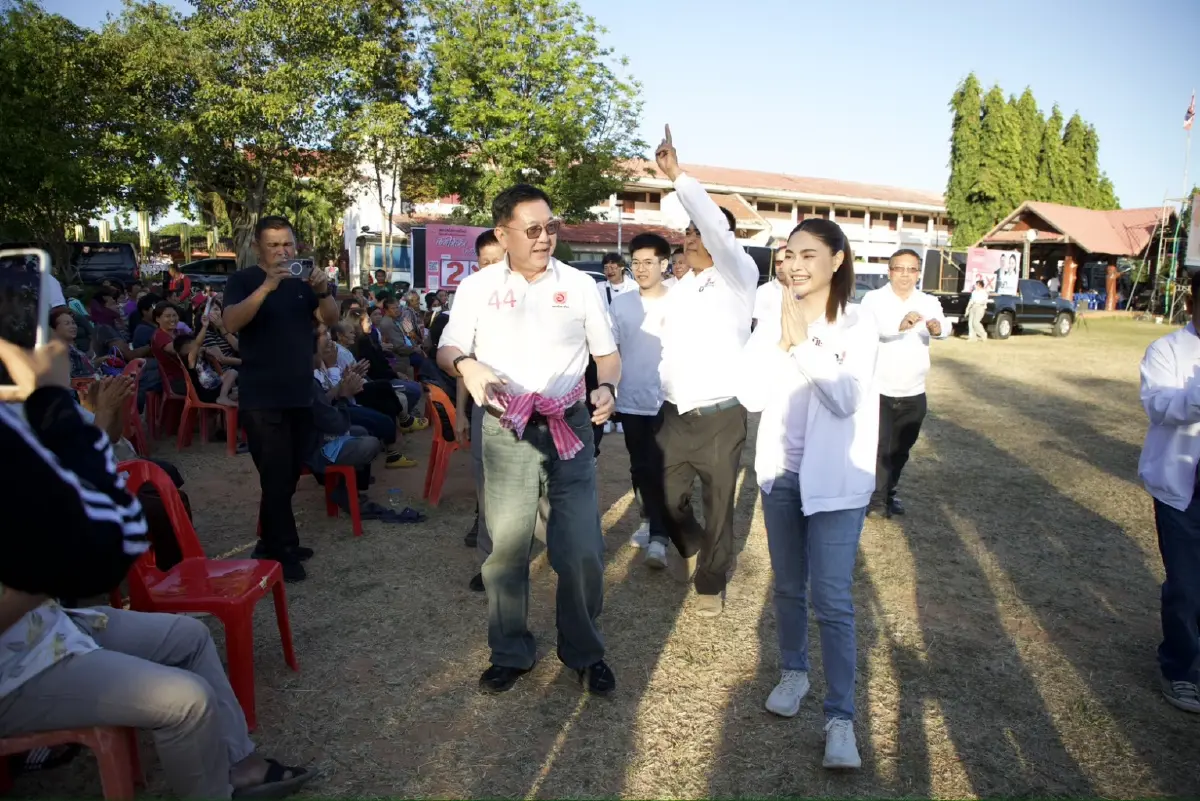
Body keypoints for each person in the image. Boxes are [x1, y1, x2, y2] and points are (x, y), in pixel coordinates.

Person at [0, 337, 318, 800]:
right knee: (186, 701)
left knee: (189, 637)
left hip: (47, 629)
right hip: (16, 671)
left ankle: (239, 763)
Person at [438, 183, 620, 696]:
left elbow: (606, 355)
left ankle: (584, 651)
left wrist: (607, 384)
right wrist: (466, 364)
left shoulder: (581, 285)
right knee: (506, 551)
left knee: (582, 548)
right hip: (505, 430)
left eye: (552, 227)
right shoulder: (477, 288)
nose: (545, 238)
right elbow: (448, 347)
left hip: (570, 425)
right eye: (533, 229)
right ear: (503, 233)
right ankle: (511, 650)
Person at [737, 218, 878, 770]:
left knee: (834, 600)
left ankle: (840, 717)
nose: (794, 264)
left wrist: (804, 342)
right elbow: (749, 393)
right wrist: (779, 339)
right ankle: (794, 671)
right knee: (790, 586)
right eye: (788, 254)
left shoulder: (858, 324)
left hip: (837, 485)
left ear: (838, 260)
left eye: (809, 254)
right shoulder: (772, 315)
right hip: (781, 473)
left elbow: (846, 398)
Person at [653, 125, 759, 618]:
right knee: (669, 500)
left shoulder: (739, 278)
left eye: (699, 231)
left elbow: (714, 226)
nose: (691, 239)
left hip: (721, 415)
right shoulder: (680, 289)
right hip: (676, 415)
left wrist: (678, 178)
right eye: (688, 232)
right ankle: (688, 540)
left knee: (720, 505)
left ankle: (712, 582)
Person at [222, 215, 339, 583]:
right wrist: (267, 286)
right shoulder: (242, 280)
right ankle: (283, 550)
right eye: (273, 245)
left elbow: (330, 319)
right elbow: (231, 323)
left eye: (287, 244)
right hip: (262, 396)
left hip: (300, 392)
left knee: (288, 474)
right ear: (258, 247)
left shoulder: (303, 282)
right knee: (274, 475)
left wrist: (322, 290)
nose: (282, 251)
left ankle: (269, 543)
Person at [1137, 270, 1200, 714]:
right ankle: (1180, 669)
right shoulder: (1167, 351)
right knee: (1186, 584)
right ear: (1192, 305)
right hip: (1184, 489)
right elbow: (1161, 408)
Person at [859, 248, 947, 518]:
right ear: (890, 271)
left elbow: (945, 326)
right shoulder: (873, 300)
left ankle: (888, 493)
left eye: (911, 269)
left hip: (914, 389)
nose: (905, 275)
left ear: (918, 273)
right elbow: (864, 332)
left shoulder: (928, 301)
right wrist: (898, 326)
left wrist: (937, 329)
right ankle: (874, 501)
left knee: (901, 449)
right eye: (900, 269)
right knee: (879, 447)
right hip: (880, 388)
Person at [610, 233, 672, 567]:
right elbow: (611, 353)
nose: (641, 269)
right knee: (639, 464)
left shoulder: (679, 302)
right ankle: (649, 521)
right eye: (635, 262)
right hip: (631, 399)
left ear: (664, 264)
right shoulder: (620, 304)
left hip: (669, 399)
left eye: (649, 262)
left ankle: (660, 535)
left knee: (664, 465)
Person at [753, 248, 790, 330]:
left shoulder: (802, 292)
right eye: (778, 262)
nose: (781, 266)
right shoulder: (764, 290)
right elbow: (756, 323)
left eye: (785, 262)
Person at [965, 278, 989, 343]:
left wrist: (980, 304)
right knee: (970, 323)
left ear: (980, 285)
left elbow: (984, 301)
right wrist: (967, 309)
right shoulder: (974, 292)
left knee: (975, 322)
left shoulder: (984, 292)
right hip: (973, 307)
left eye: (977, 284)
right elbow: (971, 300)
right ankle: (972, 337)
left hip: (980, 307)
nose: (975, 286)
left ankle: (983, 334)